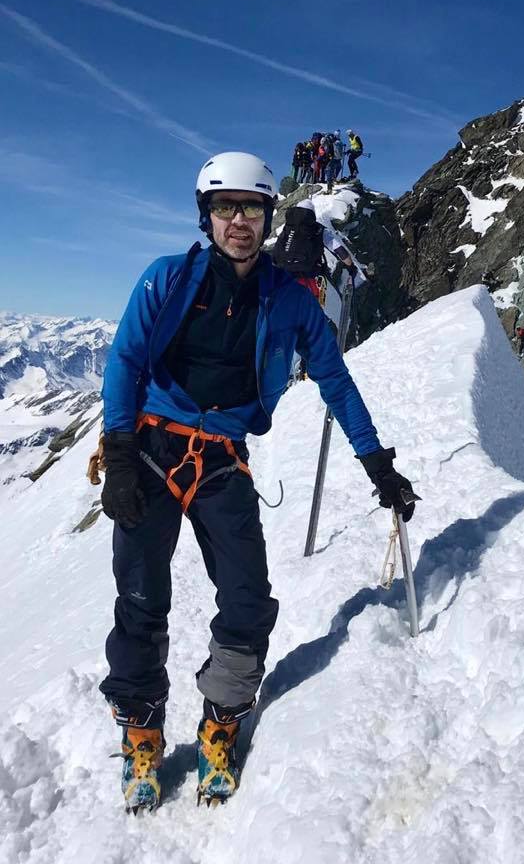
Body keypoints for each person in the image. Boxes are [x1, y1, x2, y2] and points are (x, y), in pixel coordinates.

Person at [98, 151, 415, 811]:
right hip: (153, 448)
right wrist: (121, 451)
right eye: (225, 207)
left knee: (247, 597)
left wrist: (375, 462)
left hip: (221, 459)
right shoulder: (167, 279)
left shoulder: (290, 302)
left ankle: (221, 721)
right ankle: (142, 733)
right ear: (206, 216)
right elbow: (126, 359)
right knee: (140, 598)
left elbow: (335, 380)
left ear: (268, 216)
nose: (238, 220)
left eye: (251, 207)